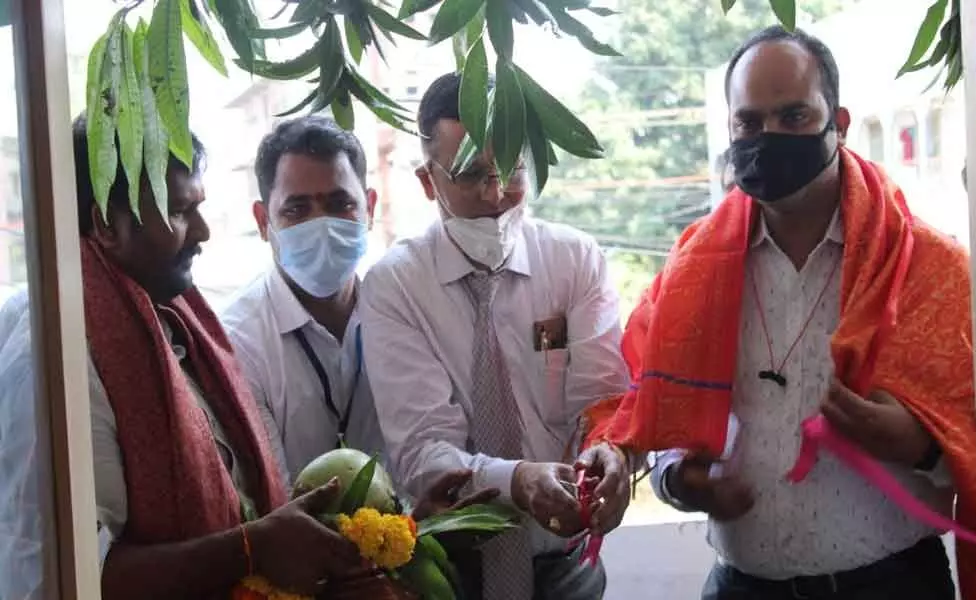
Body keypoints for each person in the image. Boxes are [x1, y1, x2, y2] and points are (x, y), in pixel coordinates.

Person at [0, 116, 485, 600]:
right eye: (181, 212)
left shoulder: (170, 330)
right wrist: (252, 549)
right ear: (107, 225)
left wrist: (391, 534)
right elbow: (57, 575)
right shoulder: (53, 364)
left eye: (339, 204)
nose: (204, 232)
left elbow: (235, 508)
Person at [584, 27, 976, 600]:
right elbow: (646, 408)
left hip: (893, 585)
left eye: (793, 117)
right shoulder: (692, 269)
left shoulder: (927, 267)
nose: (768, 138)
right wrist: (679, 480)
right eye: (749, 122)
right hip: (742, 587)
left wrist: (920, 446)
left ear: (837, 123)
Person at [359, 72, 633, 600]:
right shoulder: (396, 286)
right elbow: (421, 451)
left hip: (568, 565)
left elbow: (603, 403)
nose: (496, 194)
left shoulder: (573, 261)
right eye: (471, 175)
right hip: (454, 573)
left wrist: (611, 454)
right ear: (427, 181)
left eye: (511, 168)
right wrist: (516, 480)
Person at [221, 116, 384, 490]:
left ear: (369, 207)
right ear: (264, 221)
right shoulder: (236, 342)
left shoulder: (403, 310)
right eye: (297, 209)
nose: (322, 225)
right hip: (291, 544)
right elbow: (269, 494)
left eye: (340, 203)